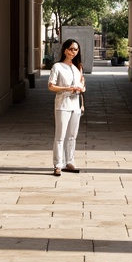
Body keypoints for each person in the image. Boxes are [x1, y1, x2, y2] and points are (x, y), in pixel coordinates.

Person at [47, 39, 85, 176]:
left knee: (72, 136)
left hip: (75, 105)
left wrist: (81, 88)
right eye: (71, 49)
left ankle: (70, 161)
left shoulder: (77, 68)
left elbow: (82, 85)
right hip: (62, 104)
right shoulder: (57, 67)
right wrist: (67, 88)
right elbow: (51, 86)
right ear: (65, 50)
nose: (73, 52)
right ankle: (58, 164)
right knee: (60, 136)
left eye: (76, 50)